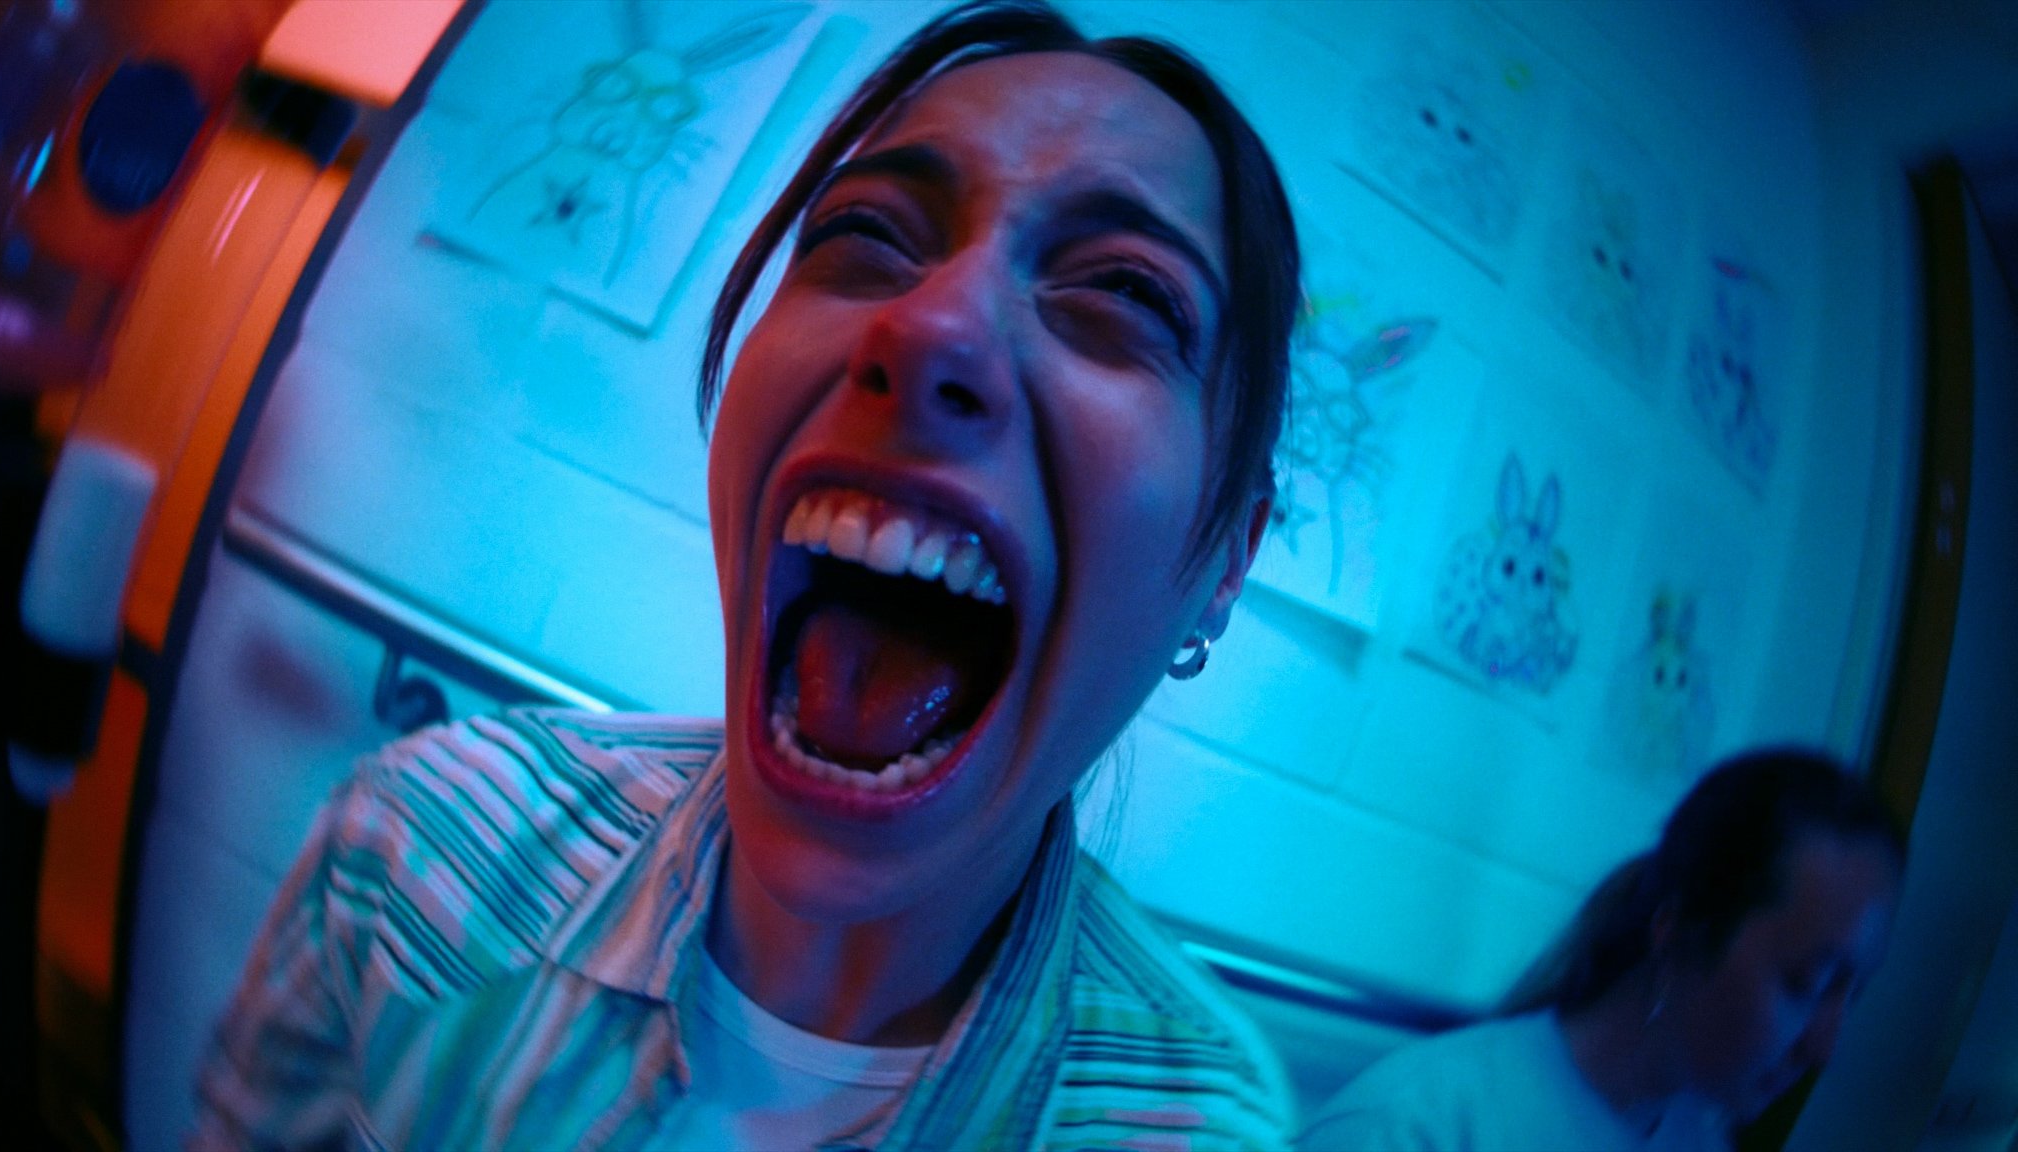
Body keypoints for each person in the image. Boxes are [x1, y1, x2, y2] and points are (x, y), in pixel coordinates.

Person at [192, 1, 1303, 1147]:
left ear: (1226, 558)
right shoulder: (416, 842)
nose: (931, 328)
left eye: (1125, 291)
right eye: (866, 232)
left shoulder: (1202, 1131)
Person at [1298, 749, 1905, 1152]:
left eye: (1853, 995)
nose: (1825, 1048)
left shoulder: (1696, 1135)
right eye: (1806, 982)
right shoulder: (1414, 1128)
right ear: (1678, 934)